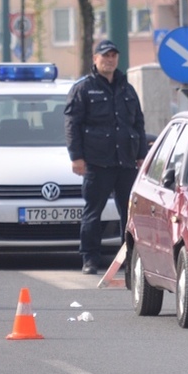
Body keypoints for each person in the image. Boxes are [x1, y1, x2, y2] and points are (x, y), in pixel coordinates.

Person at [64, 39, 148, 275]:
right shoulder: (84, 89)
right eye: (105, 56)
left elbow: (138, 124)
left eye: (113, 56)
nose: (109, 60)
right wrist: (76, 157)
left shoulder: (127, 88)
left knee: (129, 213)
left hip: (126, 162)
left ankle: (130, 260)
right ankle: (90, 259)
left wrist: (141, 155)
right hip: (97, 162)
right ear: (95, 59)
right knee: (93, 212)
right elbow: (72, 125)